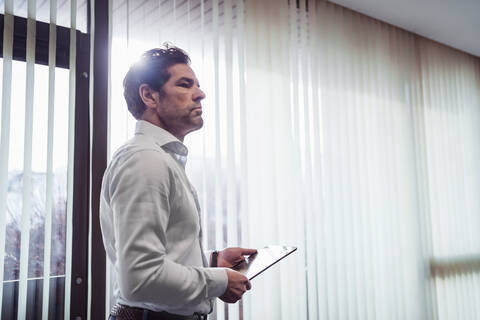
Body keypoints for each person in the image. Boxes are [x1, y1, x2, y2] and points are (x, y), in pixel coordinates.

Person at [100, 46, 257, 320]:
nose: (200, 93)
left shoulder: (160, 158)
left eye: (197, 85)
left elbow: (162, 258)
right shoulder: (145, 160)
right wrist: (218, 281)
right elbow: (140, 278)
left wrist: (211, 263)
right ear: (149, 95)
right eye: (185, 85)